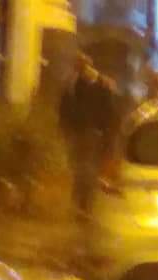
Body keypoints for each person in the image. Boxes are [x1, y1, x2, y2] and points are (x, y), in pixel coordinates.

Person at [60, 52, 116, 219]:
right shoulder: (75, 84)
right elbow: (66, 109)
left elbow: (108, 112)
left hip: (91, 133)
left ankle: (83, 205)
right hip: (83, 132)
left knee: (86, 170)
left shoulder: (96, 84)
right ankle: (81, 205)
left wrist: (106, 134)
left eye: (78, 66)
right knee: (82, 169)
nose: (77, 69)